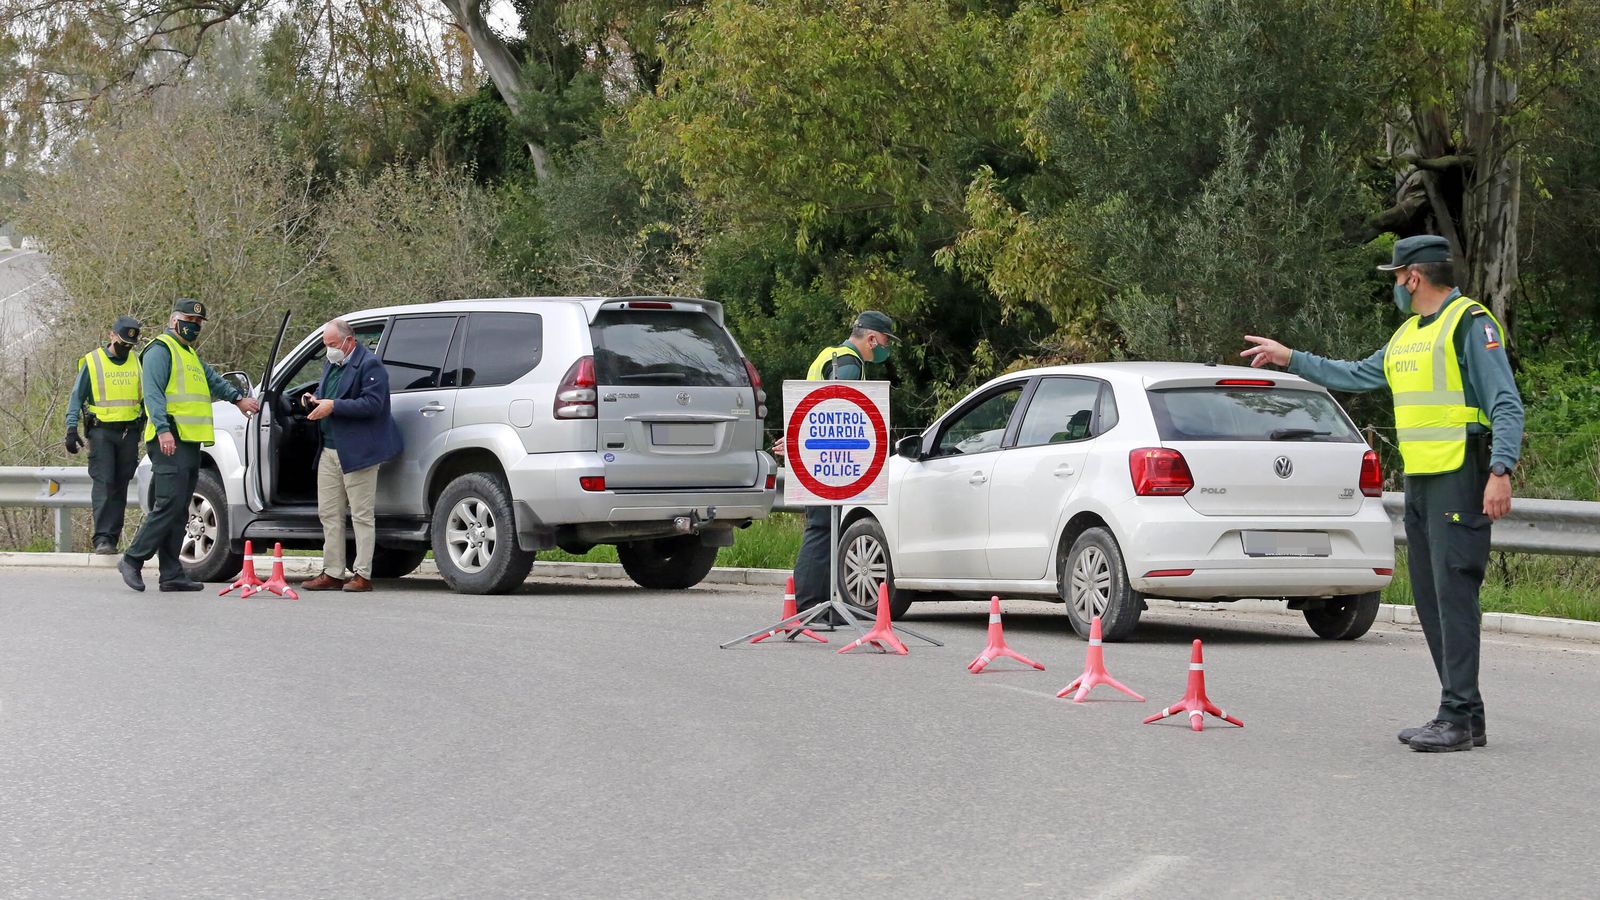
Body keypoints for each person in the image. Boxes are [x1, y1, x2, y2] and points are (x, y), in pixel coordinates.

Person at [1241, 235, 1525, 753]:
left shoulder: (1469, 323)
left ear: (1413, 277)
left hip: (1461, 477)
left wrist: (1501, 469)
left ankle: (1456, 715)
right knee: (1433, 599)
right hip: (1421, 482)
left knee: (1454, 595)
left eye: (1395, 277)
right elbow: (1354, 374)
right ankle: (1466, 713)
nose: (1394, 285)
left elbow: (1506, 402)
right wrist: (1291, 358)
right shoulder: (1408, 337)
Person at [118, 298, 260, 593]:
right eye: (189, 320)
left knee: (180, 508)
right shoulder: (160, 350)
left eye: (197, 323)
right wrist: (163, 431)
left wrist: (238, 399)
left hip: (190, 441)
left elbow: (213, 381)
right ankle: (132, 559)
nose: (193, 326)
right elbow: (154, 394)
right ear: (173, 320)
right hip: (169, 439)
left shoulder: (189, 354)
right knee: (168, 504)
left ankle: (171, 574)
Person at [781, 310, 899, 618]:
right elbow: (835, 405)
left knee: (822, 528)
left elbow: (812, 406)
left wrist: (797, 438)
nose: (886, 347)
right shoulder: (848, 363)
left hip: (815, 456)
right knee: (822, 529)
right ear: (872, 338)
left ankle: (818, 604)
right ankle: (812, 606)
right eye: (885, 341)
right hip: (825, 460)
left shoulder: (828, 354)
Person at [297, 319, 403, 593]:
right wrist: (315, 398)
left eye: (332, 345)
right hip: (329, 450)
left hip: (359, 452)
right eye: (326, 345)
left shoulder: (370, 365)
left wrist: (333, 406)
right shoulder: (332, 363)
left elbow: (373, 404)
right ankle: (332, 571)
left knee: (361, 515)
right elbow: (327, 393)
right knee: (329, 513)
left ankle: (362, 574)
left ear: (348, 341)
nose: (329, 350)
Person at [64, 315, 145, 554]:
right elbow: (76, 397)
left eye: (130, 345)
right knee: (105, 484)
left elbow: (147, 399)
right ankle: (102, 539)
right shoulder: (93, 361)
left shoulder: (138, 362)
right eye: (122, 342)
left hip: (129, 433)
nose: (126, 348)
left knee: (120, 486)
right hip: (101, 433)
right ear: (112, 335)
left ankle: (112, 538)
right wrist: (71, 428)